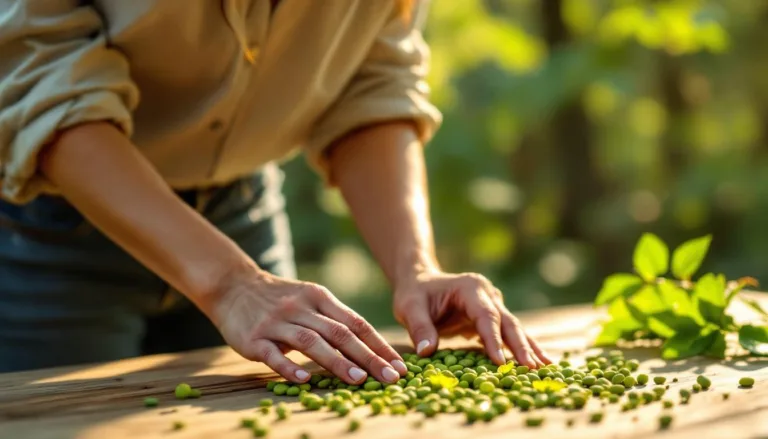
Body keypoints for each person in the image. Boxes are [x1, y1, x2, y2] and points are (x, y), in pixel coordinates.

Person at [0, 0, 551, 383]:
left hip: (242, 213)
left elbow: (371, 81)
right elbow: (43, 86)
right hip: (42, 227)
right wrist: (230, 284)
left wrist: (416, 268)